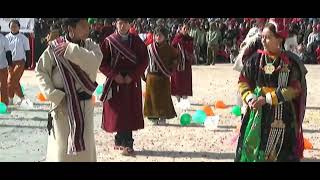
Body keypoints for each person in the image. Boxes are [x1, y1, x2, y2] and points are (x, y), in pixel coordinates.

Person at [235, 20, 307, 162]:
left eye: (268, 37)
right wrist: (249, 97)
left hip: (282, 116)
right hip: (256, 112)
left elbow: (295, 89)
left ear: (279, 39)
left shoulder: (290, 63)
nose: (263, 40)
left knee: (281, 153)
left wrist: (268, 98)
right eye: (262, 37)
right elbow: (243, 81)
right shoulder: (255, 60)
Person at [35, 18, 103, 162]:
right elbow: (41, 71)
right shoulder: (54, 47)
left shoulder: (91, 46)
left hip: (84, 105)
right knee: (61, 147)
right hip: (62, 104)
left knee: (85, 147)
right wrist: (54, 95)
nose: (88, 29)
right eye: (83, 26)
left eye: (87, 25)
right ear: (71, 29)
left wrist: (71, 50)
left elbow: (94, 62)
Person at [99, 18, 148, 156]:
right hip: (116, 82)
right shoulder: (109, 41)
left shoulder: (136, 41)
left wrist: (132, 76)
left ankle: (128, 142)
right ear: (116, 23)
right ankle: (119, 139)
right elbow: (102, 63)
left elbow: (144, 60)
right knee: (118, 112)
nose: (123, 26)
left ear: (130, 25)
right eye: (120, 23)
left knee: (130, 110)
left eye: (125, 23)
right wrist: (115, 75)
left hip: (131, 82)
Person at [143, 26, 179, 125]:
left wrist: (171, 68)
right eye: (156, 35)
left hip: (164, 77)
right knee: (152, 98)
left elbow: (176, 59)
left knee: (163, 98)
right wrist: (142, 75)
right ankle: (153, 117)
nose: (158, 37)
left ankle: (163, 116)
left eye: (160, 35)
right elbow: (143, 61)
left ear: (165, 37)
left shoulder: (170, 48)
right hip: (152, 77)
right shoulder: (149, 48)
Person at [5, 19, 33, 107]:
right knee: (15, 82)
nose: (13, 28)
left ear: (19, 27)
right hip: (9, 63)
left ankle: (10, 100)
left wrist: (28, 64)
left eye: (15, 26)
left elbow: (28, 52)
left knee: (10, 81)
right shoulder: (6, 38)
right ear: (9, 27)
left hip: (20, 62)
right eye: (11, 26)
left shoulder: (24, 38)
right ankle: (22, 98)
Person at [171, 23, 194, 102]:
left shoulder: (190, 39)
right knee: (177, 79)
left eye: (187, 29)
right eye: (184, 28)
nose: (185, 30)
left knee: (186, 80)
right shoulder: (177, 37)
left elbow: (191, 50)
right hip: (177, 63)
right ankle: (178, 97)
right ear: (181, 29)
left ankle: (185, 96)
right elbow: (172, 47)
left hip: (186, 63)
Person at [0, 25, 12, 106]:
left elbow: (8, 52)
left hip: (2, 66)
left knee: (3, 85)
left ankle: (4, 104)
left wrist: (10, 64)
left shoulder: (4, 39)